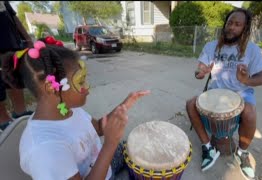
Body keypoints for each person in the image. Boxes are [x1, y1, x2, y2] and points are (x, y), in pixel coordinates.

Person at [0, 37, 151, 180]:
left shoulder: (67, 109)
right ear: (51, 87)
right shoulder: (45, 148)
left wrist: (125, 105)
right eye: (81, 81)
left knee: (140, 147)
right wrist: (110, 143)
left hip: (103, 162)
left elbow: (98, 128)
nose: (87, 88)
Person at [186, 8, 262, 179]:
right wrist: (200, 72)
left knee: (250, 113)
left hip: (242, 92)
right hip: (216, 91)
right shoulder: (211, 46)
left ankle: (242, 153)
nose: (232, 27)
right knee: (190, 104)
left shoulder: (252, 50)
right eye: (230, 23)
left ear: (244, 29)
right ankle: (208, 148)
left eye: (237, 24)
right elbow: (198, 71)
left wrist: (245, 80)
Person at [0, 1, 34, 131]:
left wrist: (28, 38)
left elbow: (14, 17)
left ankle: (20, 111)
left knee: (15, 76)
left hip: (11, 41)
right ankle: (3, 120)